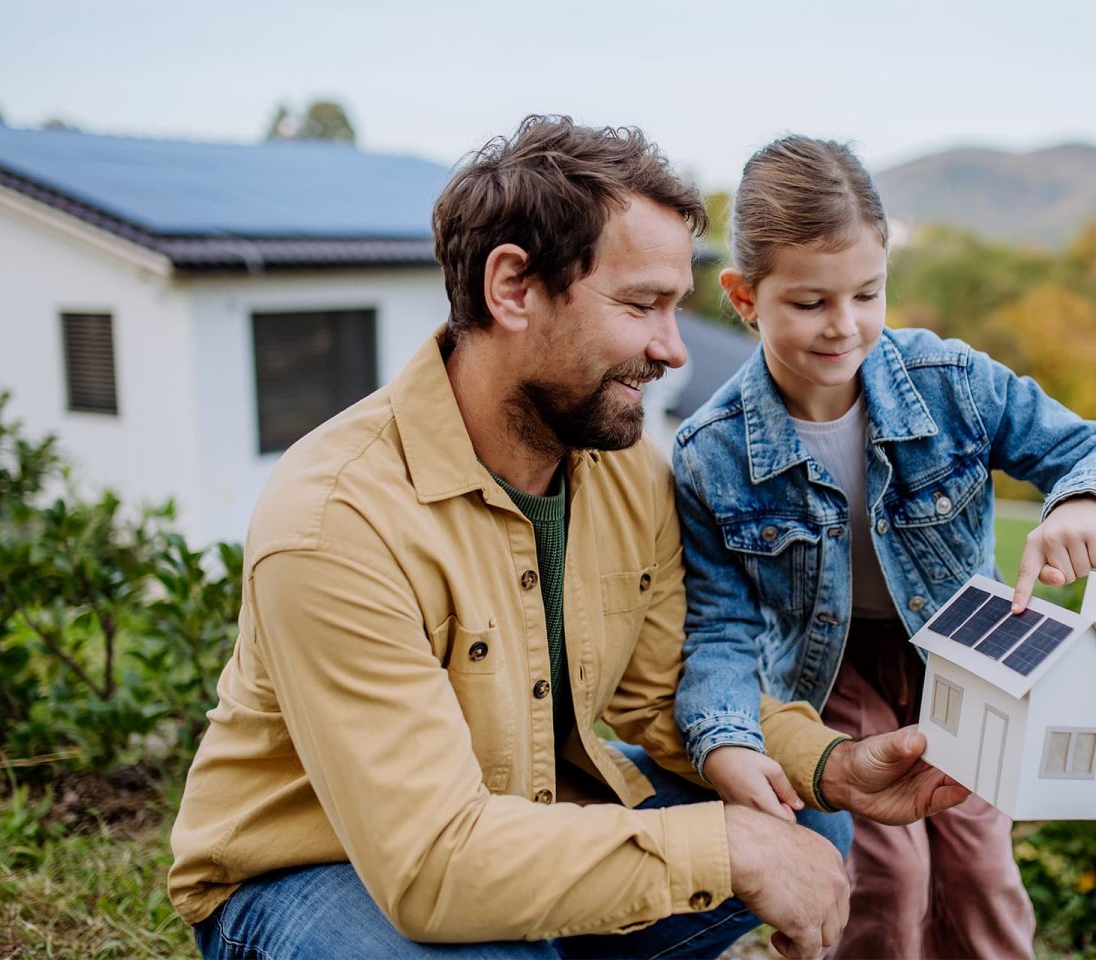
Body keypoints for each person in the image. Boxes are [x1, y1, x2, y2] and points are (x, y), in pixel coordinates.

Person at [167, 116, 968, 960]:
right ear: (512, 287)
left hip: (526, 815)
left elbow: (666, 694)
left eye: (675, 307)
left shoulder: (622, 467)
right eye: (640, 305)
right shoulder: (336, 520)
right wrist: (726, 847)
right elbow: (433, 863)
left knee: (805, 819)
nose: (670, 349)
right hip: (319, 869)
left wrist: (832, 765)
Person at [672, 135, 1096, 959]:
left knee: (981, 870)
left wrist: (1084, 501)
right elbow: (719, 625)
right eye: (810, 303)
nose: (845, 326)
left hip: (965, 656)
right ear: (745, 296)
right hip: (831, 674)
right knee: (885, 880)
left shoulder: (951, 382)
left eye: (867, 293)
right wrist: (723, 735)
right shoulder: (709, 452)